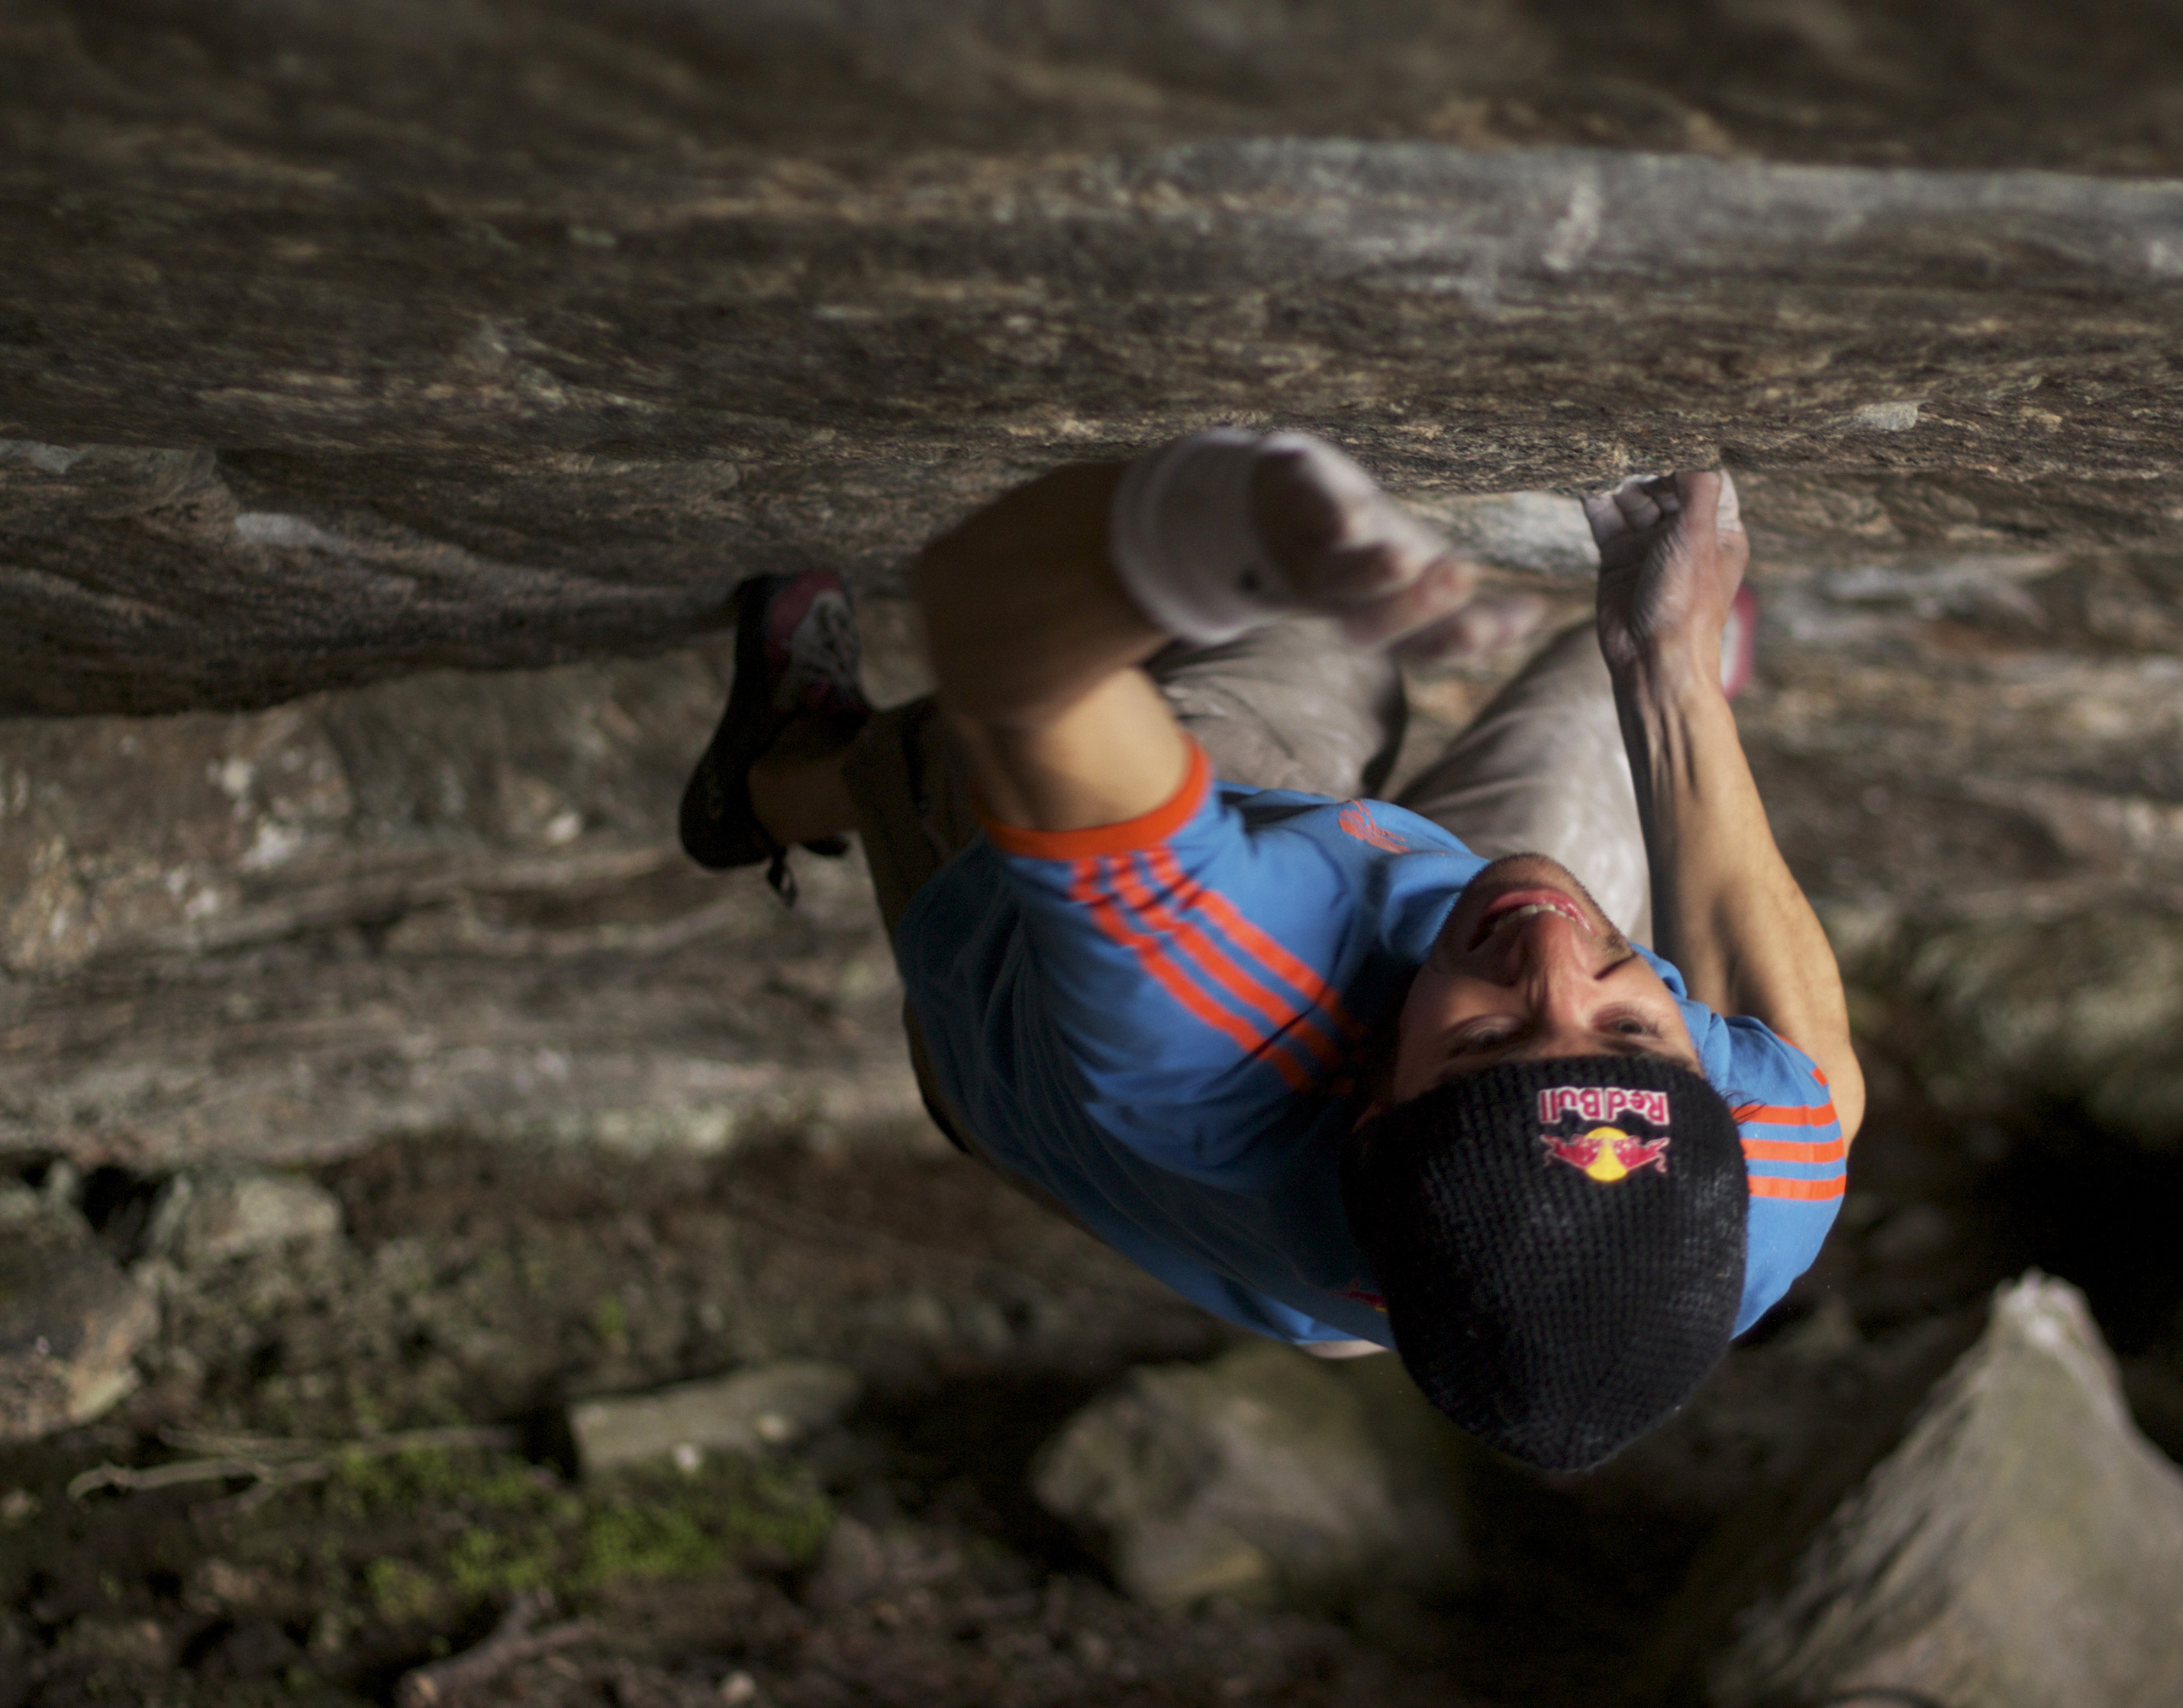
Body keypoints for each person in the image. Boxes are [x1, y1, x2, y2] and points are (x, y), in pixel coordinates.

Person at [678, 431, 1862, 1472]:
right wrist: (1667, 666)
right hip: (1348, 1245)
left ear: (1367, 1105)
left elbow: (1000, 637)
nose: (1558, 956)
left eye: (1490, 1037)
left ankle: (779, 784)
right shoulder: (1729, 1204)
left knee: (1311, 660)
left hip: (1019, 1022)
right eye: (1633, 1025)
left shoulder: (1215, 1004)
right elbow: (1823, 1091)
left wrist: (1186, 532)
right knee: (1612, 716)